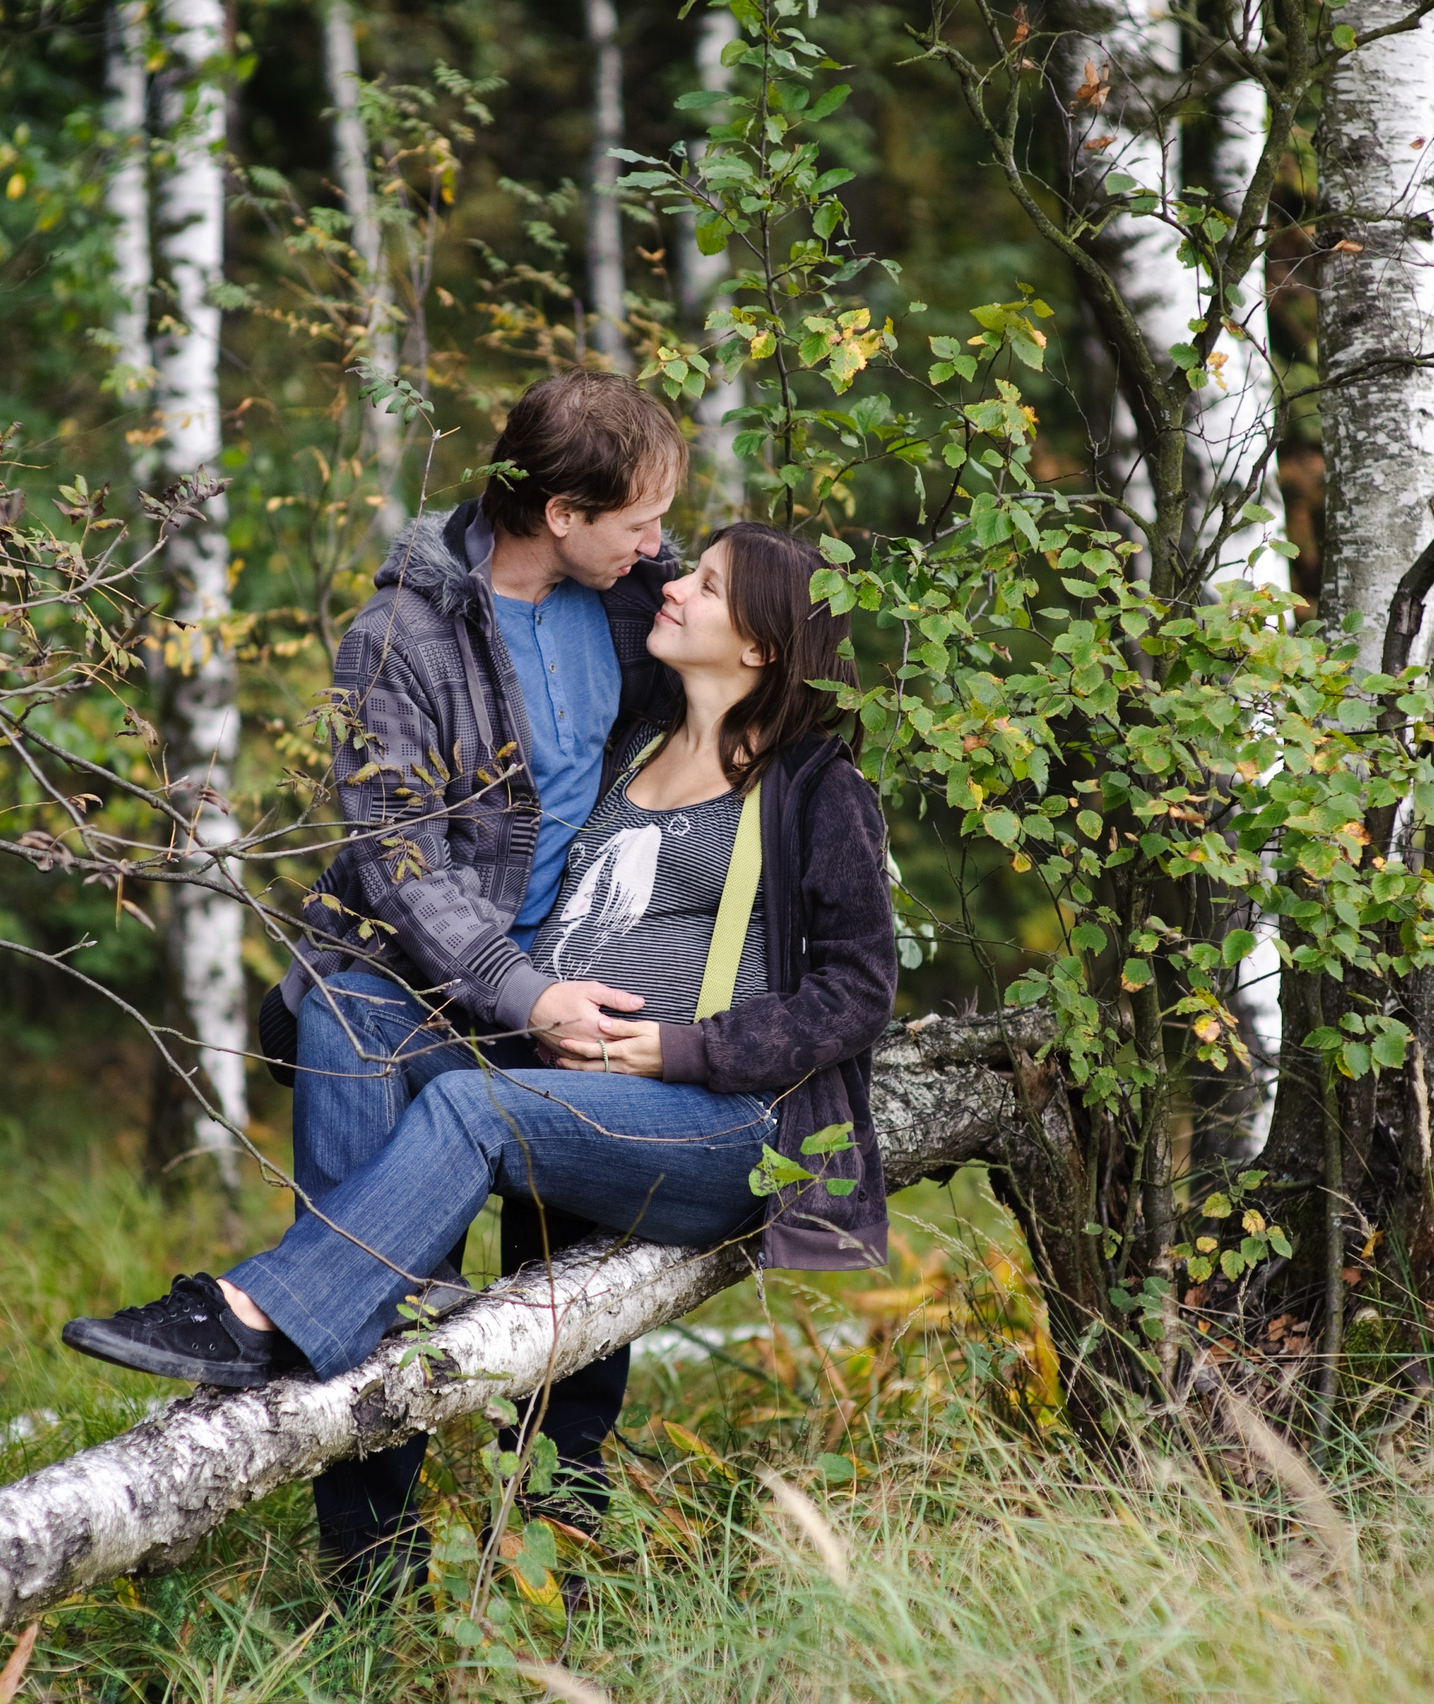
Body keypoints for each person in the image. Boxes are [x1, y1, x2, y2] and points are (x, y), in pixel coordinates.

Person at [64, 524, 899, 1580]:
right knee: (346, 1001)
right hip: (556, 1089)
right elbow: (552, 531)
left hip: (717, 1127)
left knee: (474, 1113)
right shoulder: (629, 745)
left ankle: (259, 1312)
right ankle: (369, 1541)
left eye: (707, 584)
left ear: (765, 647)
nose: (675, 588)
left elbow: (857, 991)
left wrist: (679, 1049)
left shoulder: (815, 785)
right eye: (686, 570)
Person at [100, 372, 691, 1588]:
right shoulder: (397, 639)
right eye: (637, 519)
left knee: (566, 1253)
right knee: (347, 1047)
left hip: (578, 977)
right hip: (418, 980)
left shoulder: (639, 606)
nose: (659, 543)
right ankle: (367, 1556)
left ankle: (561, 1534)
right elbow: (397, 854)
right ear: (563, 512)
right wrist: (518, 991)